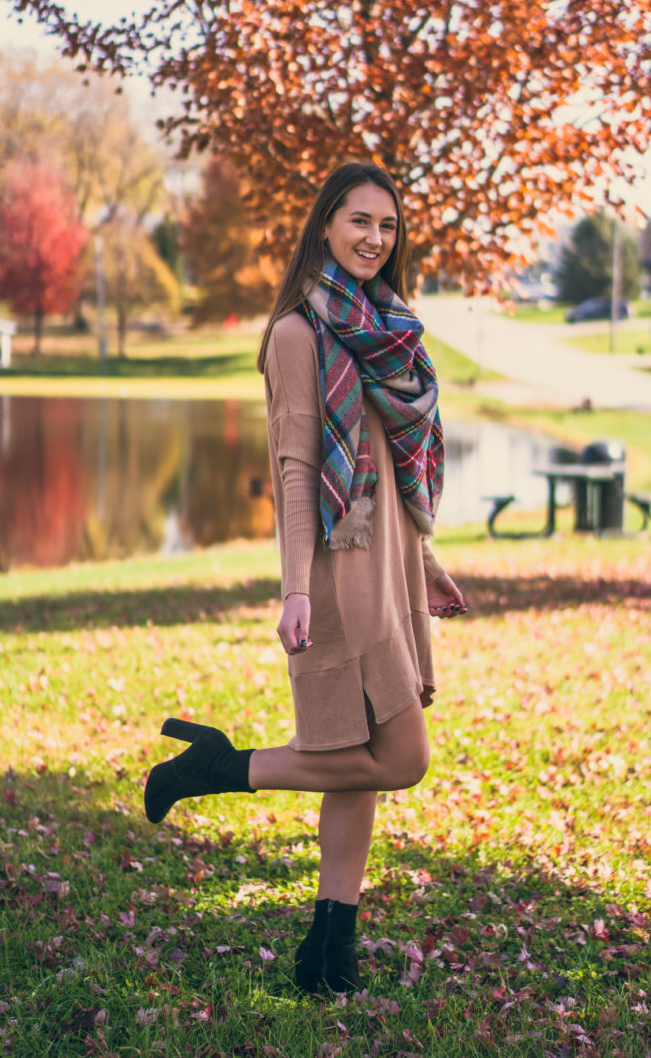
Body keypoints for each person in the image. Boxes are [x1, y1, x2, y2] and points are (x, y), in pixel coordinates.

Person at [144, 162, 466, 995]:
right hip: (335, 572)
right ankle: (224, 767)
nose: (374, 238)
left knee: (357, 761)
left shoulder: (390, 324)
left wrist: (423, 558)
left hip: (387, 561)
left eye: (387, 226)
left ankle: (330, 950)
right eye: (359, 221)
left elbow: (396, 465)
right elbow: (294, 470)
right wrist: (293, 589)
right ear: (325, 224)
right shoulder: (298, 334)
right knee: (401, 758)